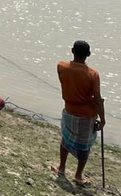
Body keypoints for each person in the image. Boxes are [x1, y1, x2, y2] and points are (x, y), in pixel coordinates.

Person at [54, 40, 105, 186]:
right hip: (86, 115)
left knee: (65, 138)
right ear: (88, 54)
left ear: (72, 51)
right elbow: (97, 98)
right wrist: (102, 119)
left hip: (69, 109)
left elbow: (65, 83)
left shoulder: (61, 66)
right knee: (84, 146)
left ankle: (62, 167)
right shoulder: (93, 74)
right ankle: (78, 175)